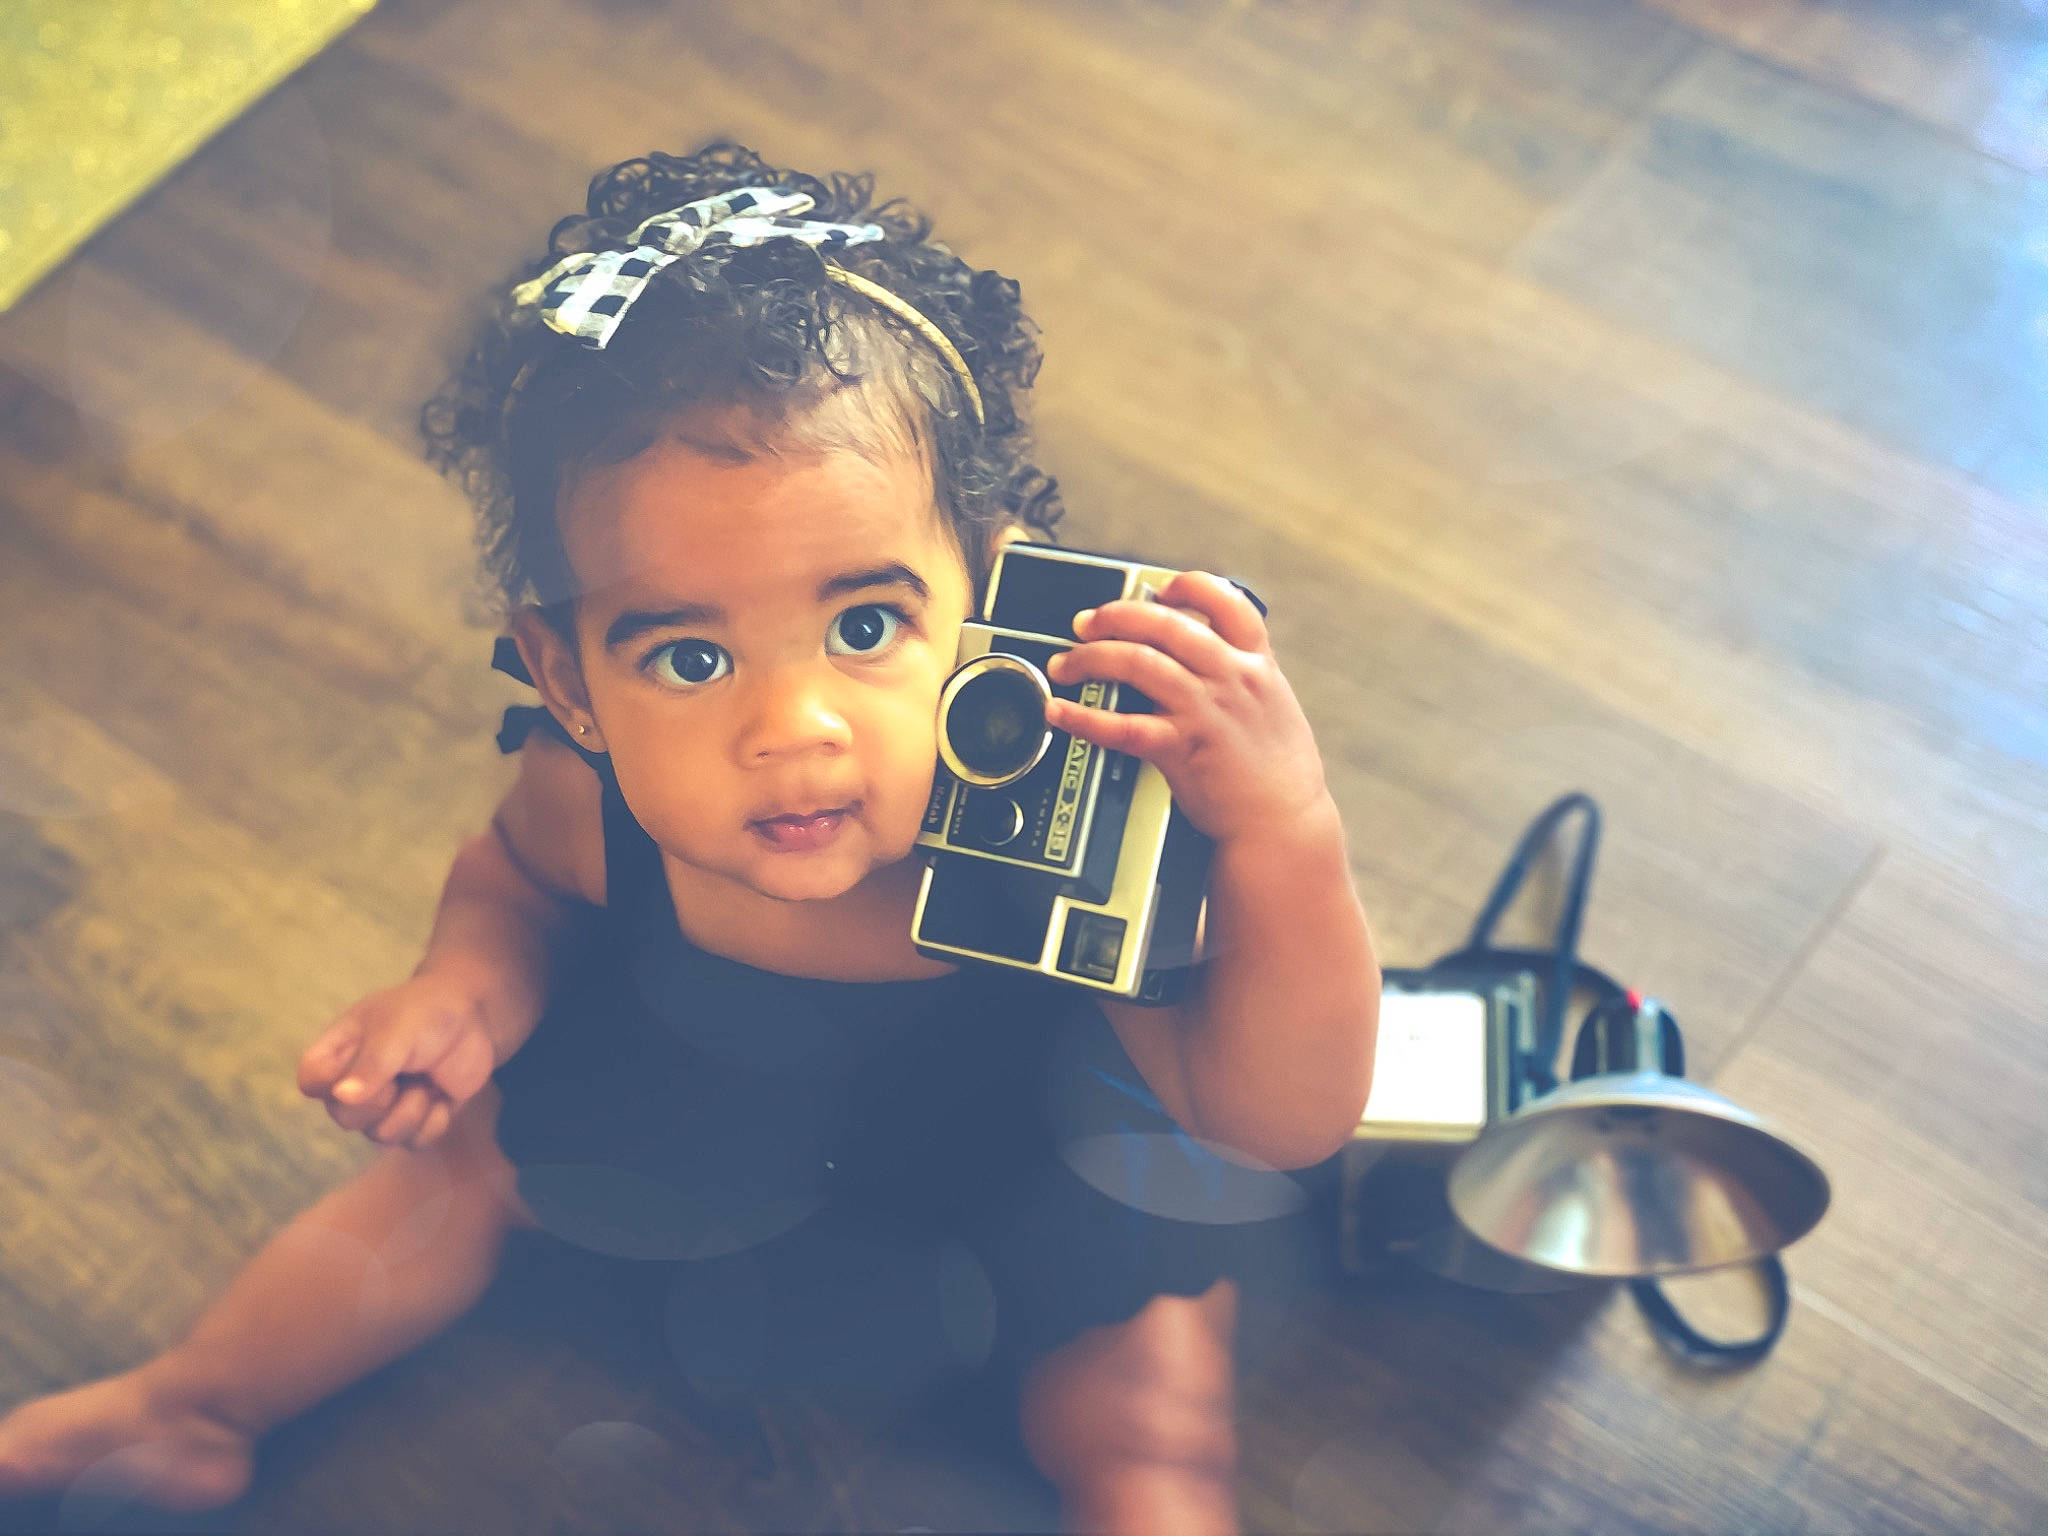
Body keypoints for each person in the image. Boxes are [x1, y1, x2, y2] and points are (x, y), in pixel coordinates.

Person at [0, 141, 1379, 1534]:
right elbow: (516, 885)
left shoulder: (1061, 830)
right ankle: (192, 1406)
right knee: (447, 1177)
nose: (791, 730)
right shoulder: (585, 796)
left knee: (1147, 1422)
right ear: (568, 676)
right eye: (688, 658)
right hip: (690, 1125)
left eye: (864, 626)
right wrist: (463, 990)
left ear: (992, 589)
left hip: (1012, 1186)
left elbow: (1275, 1122)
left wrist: (1285, 835)